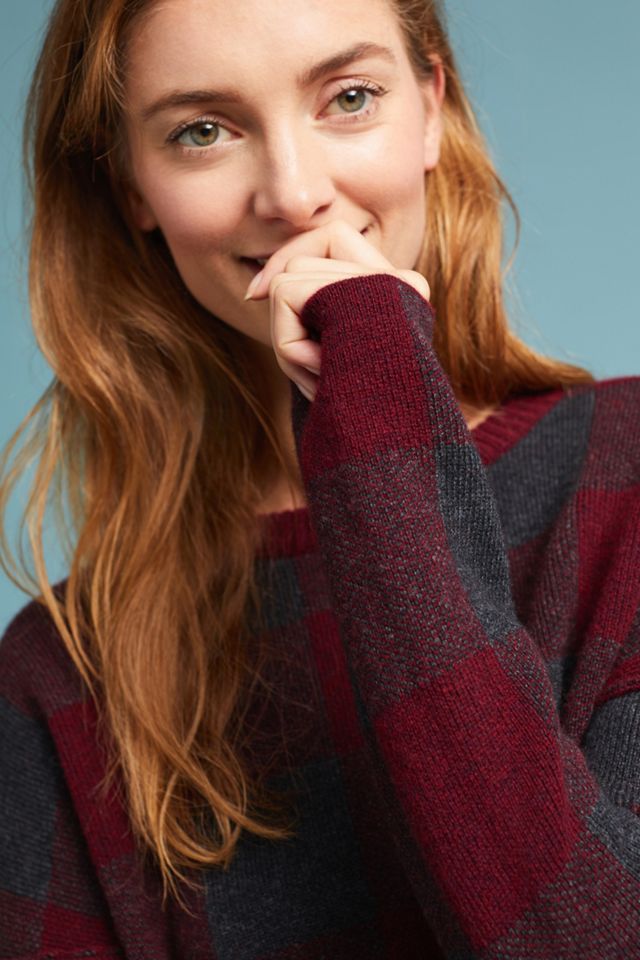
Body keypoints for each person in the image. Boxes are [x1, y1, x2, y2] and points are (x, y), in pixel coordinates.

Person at [1, 0, 639, 956]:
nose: (295, 195)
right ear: (132, 186)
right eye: (203, 131)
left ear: (430, 108)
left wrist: (378, 416)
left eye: (349, 97)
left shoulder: (624, 473)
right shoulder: (59, 671)